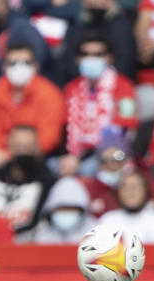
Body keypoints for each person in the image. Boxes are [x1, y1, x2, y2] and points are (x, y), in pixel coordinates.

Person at [61, 32, 138, 177]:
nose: (91, 58)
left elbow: (124, 129)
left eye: (97, 54)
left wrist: (85, 159)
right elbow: (65, 128)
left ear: (109, 57)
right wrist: (70, 158)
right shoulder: (71, 88)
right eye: (85, 54)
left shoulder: (124, 87)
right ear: (78, 59)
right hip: (75, 155)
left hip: (114, 153)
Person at [0, 43, 65, 170]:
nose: (19, 68)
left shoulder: (49, 93)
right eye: (13, 63)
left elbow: (49, 139)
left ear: (36, 66)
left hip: (38, 158)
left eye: (26, 63)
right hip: (1, 157)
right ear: (4, 67)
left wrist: (8, 156)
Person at [0, 124, 56, 233]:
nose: (23, 151)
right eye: (19, 146)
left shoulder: (48, 182)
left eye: (28, 147)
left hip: (29, 241)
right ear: (9, 146)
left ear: (37, 148)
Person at [17, 175, 98, 243]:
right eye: (62, 208)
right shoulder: (42, 234)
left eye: (71, 208)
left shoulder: (94, 235)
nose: (66, 213)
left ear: (82, 211)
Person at [99, 170, 154, 243]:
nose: (131, 191)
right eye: (125, 186)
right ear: (118, 192)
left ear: (145, 191)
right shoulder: (108, 220)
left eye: (136, 186)